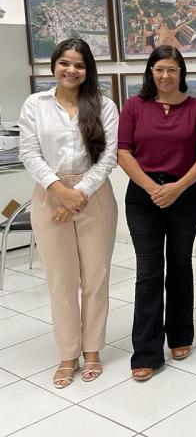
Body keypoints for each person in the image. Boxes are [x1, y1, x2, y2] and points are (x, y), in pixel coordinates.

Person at [18, 38, 118, 389]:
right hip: (49, 196)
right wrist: (59, 192)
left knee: (96, 278)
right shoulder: (36, 104)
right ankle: (67, 354)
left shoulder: (104, 105)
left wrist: (79, 194)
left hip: (95, 198)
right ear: (54, 66)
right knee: (61, 282)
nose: (71, 70)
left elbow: (108, 156)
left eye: (79, 65)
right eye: (65, 63)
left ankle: (92, 350)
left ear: (88, 70)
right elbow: (29, 152)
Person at [118, 45, 196, 381]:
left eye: (172, 69)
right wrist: (151, 187)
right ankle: (146, 351)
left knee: (179, 264)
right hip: (143, 198)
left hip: (186, 195)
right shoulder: (134, 106)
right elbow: (123, 152)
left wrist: (177, 187)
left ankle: (180, 335)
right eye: (159, 69)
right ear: (150, 72)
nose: (165, 76)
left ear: (181, 72)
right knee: (148, 272)